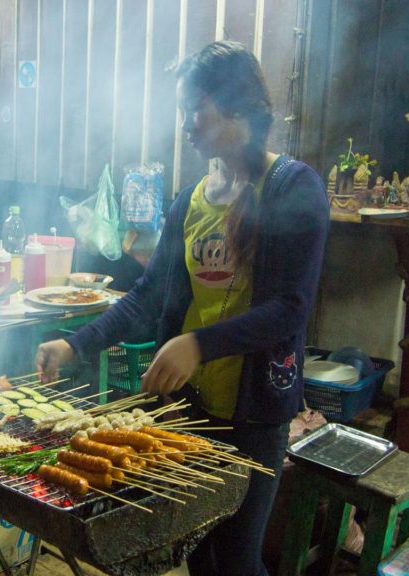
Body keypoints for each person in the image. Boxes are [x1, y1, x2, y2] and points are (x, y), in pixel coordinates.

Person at [35, 41, 329, 576]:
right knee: (197, 554)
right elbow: (148, 295)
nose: (186, 126)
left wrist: (198, 344)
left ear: (235, 108)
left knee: (238, 560)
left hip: (254, 415)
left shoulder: (293, 187)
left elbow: (291, 307)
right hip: (190, 409)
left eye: (194, 109)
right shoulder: (191, 201)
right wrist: (76, 343)